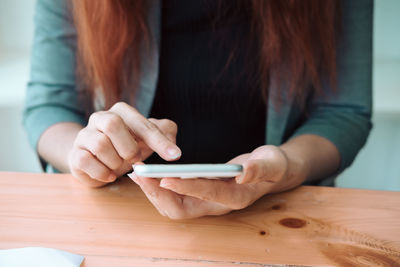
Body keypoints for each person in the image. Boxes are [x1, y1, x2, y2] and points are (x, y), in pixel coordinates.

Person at [24, 0, 372, 219]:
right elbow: (50, 104)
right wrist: (87, 153)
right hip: (127, 211)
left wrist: (288, 166)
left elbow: (342, 111)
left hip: (275, 212)